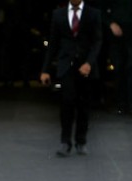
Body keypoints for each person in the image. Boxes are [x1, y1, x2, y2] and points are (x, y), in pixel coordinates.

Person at [40, 0, 102, 157]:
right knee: (66, 102)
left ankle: (81, 141)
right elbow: (53, 43)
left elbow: (97, 41)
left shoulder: (93, 13)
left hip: (85, 66)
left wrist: (89, 62)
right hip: (66, 65)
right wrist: (46, 69)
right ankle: (65, 141)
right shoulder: (58, 14)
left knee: (84, 105)